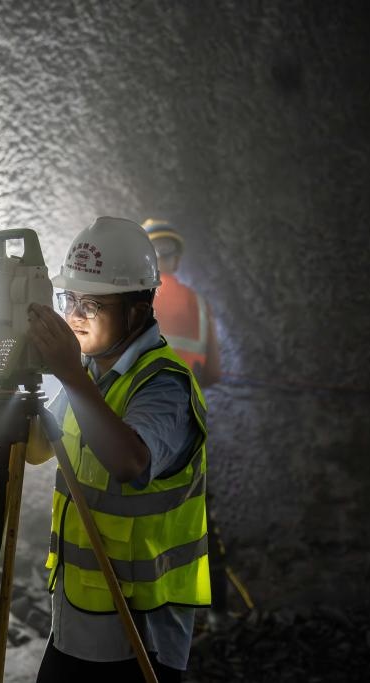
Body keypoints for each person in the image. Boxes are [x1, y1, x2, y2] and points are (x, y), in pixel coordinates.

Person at [26, 217, 209, 682]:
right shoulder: (91, 372)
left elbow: (130, 462)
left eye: (92, 304)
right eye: (70, 299)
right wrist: (13, 386)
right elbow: (37, 449)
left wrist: (70, 374)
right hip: (79, 613)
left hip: (140, 631)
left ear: (136, 311)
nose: (75, 316)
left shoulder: (164, 384)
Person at [144, 219, 228, 619]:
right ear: (176, 257)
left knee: (141, 521)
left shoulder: (133, 300)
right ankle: (213, 612)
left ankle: (146, 609)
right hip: (190, 429)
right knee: (196, 518)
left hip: (140, 428)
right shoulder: (199, 304)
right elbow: (214, 373)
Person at [142, 219, 220, 387]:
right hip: (181, 399)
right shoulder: (201, 305)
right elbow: (213, 373)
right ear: (176, 261)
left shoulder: (127, 298)